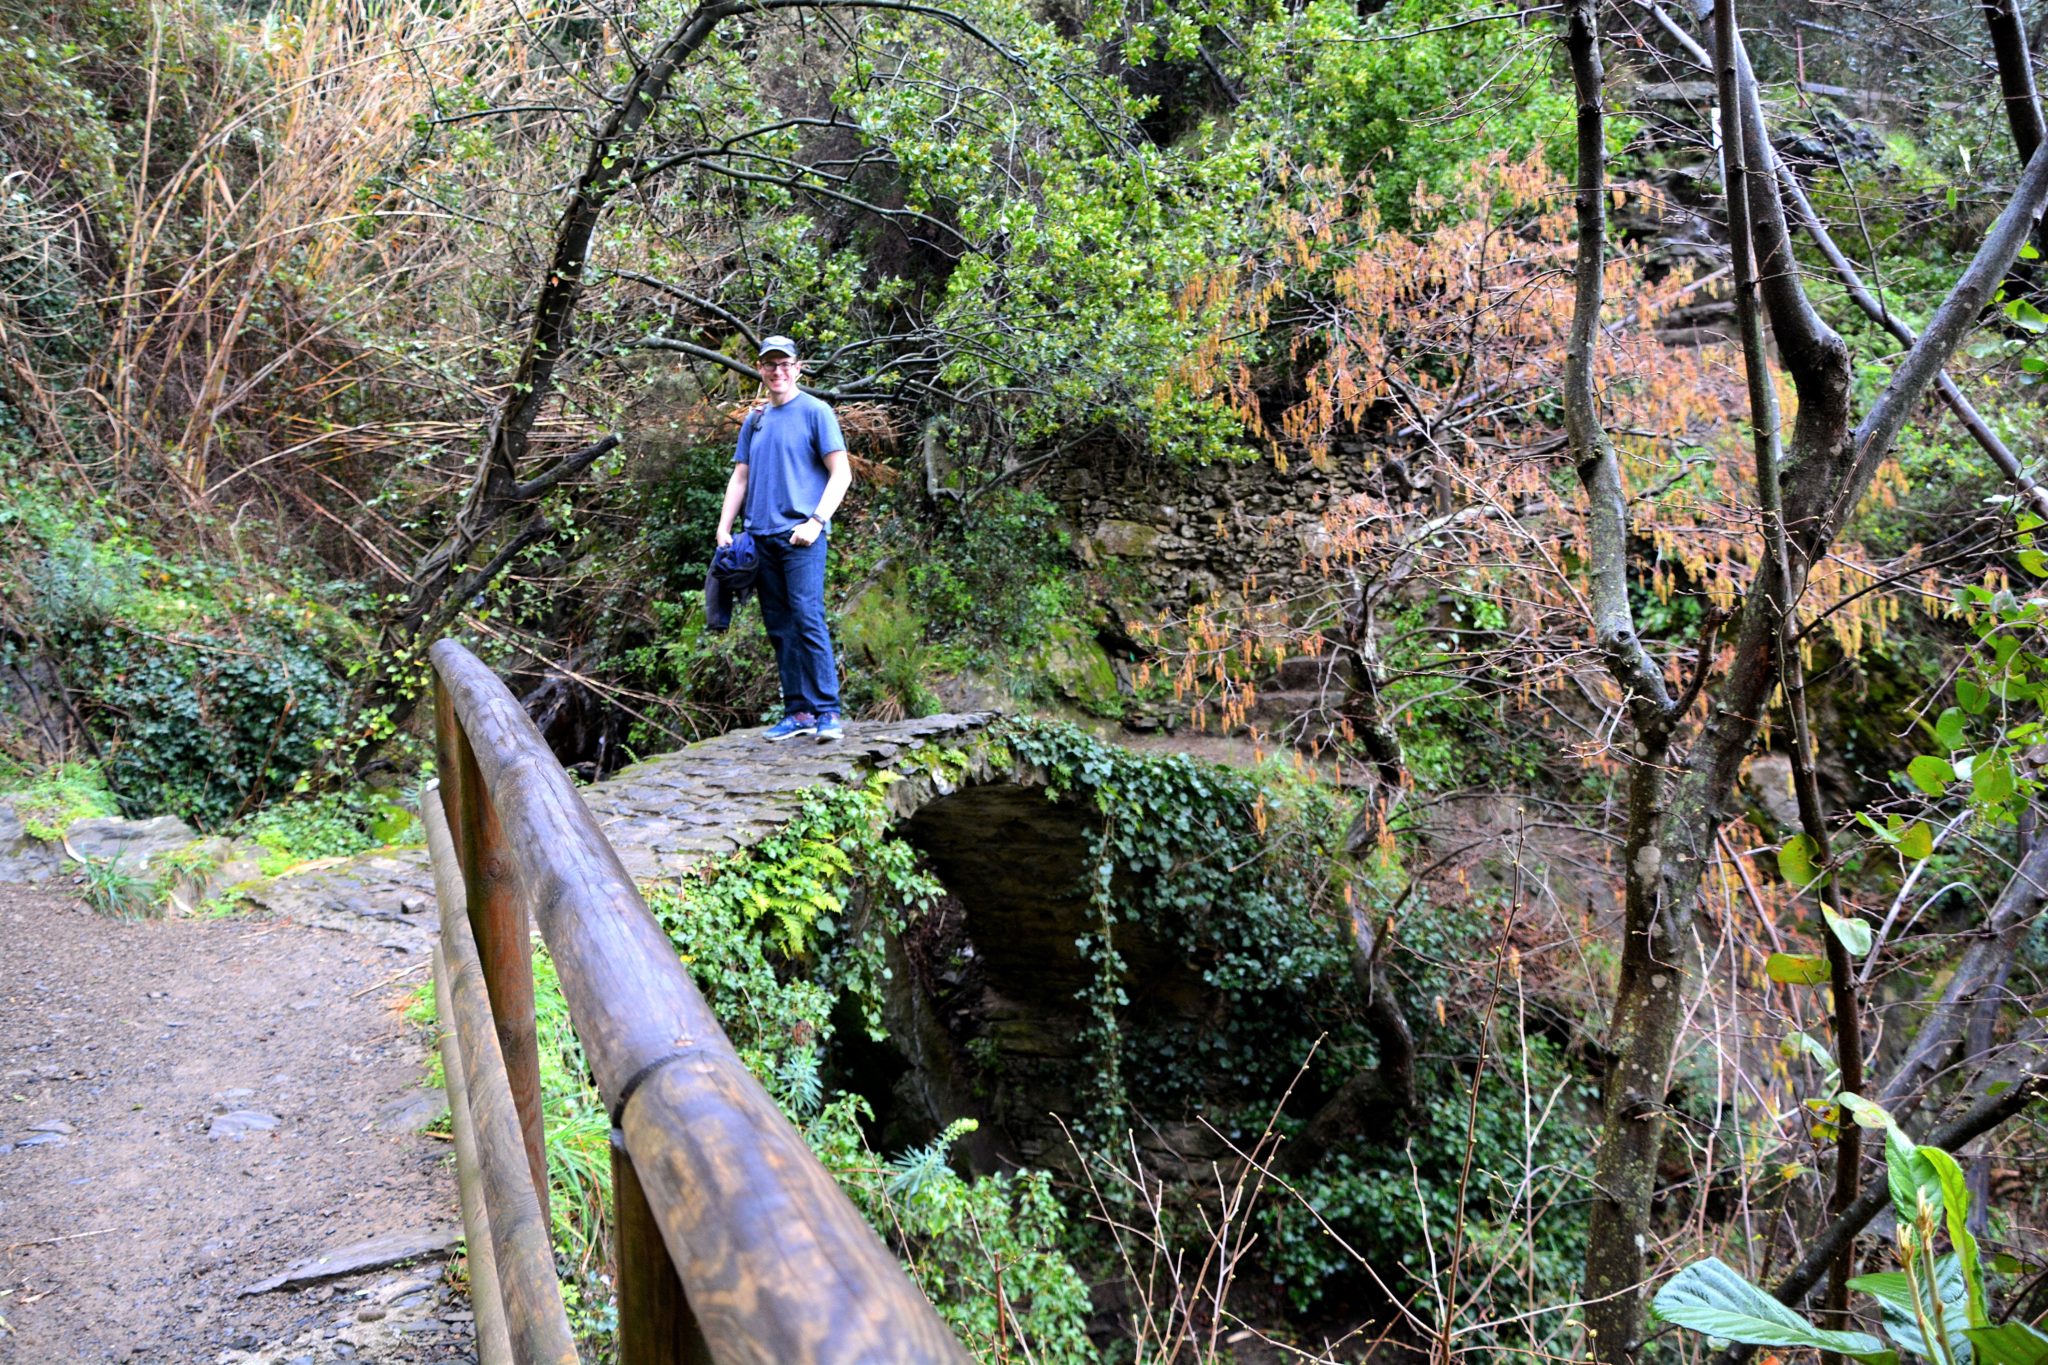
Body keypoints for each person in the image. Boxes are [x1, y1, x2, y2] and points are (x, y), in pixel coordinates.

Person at [714, 335, 853, 742]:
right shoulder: (755, 420)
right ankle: (799, 712)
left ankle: (828, 711)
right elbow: (740, 477)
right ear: (760, 369)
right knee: (779, 627)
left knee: (808, 618)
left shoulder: (816, 411)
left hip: (801, 537)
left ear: (798, 367)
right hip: (760, 538)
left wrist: (816, 521)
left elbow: (840, 473)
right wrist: (724, 527)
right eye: (769, 364)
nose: (777, 371)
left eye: (784, 364)